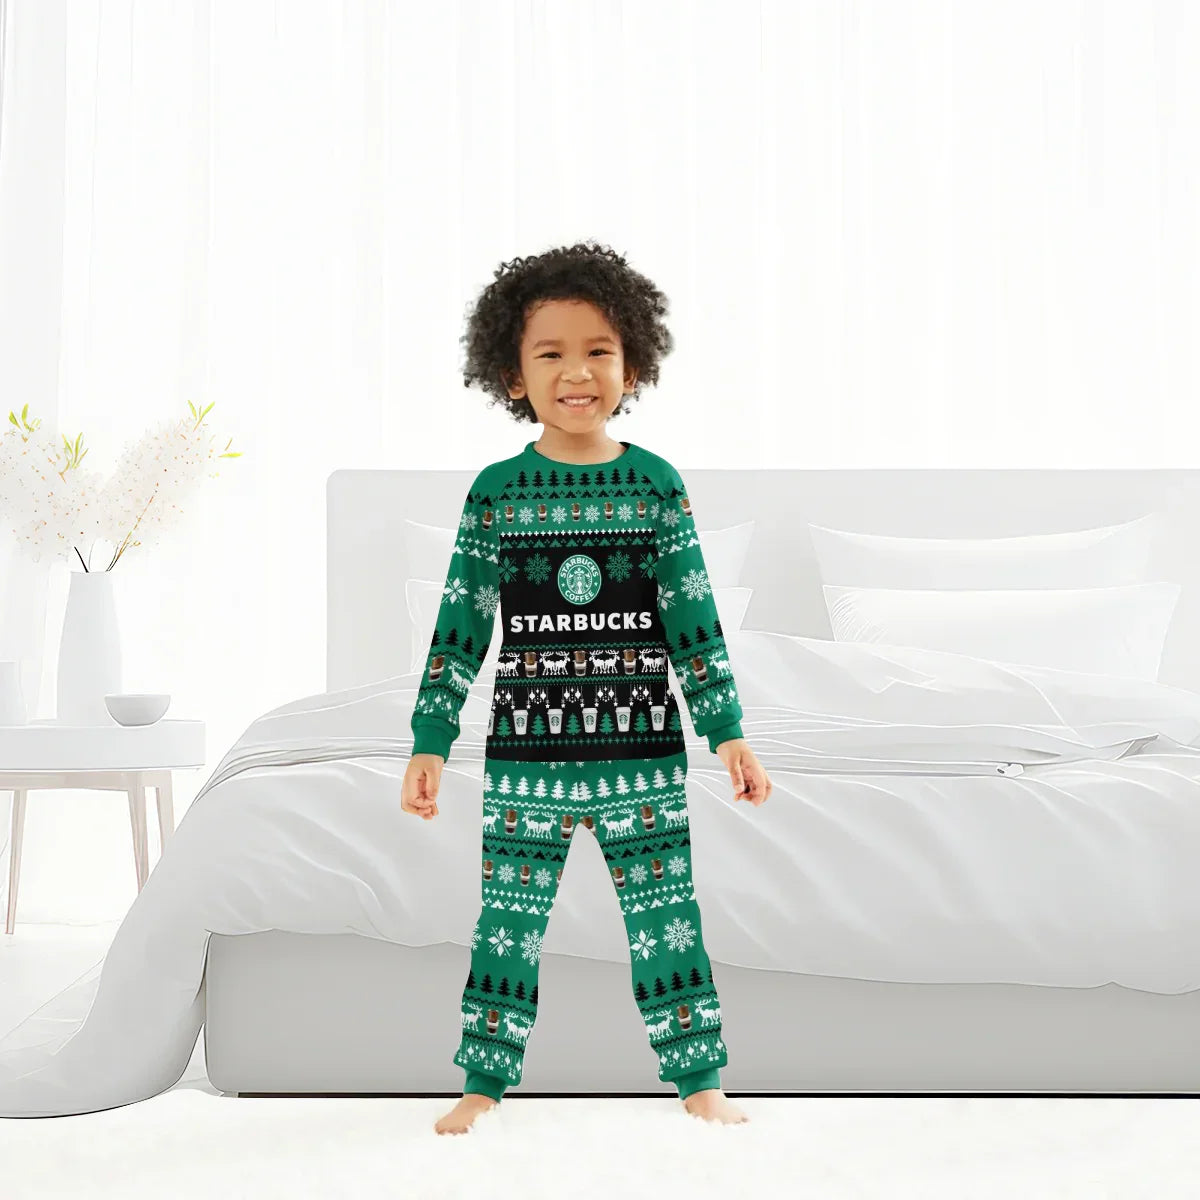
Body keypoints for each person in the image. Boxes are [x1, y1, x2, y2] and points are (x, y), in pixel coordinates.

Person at [400, 241, 772, 1135]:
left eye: (599, 350)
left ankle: (700, 1081)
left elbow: (692, 619)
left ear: (633, 363)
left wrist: (726, 731)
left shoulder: (655, 487)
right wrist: (429, 738)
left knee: (666, 921)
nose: (577, 372)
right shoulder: (497, 494)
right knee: (508, 925)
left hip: (640, 752)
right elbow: (461, 625)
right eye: (551, 353)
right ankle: (483, 1083)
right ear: (511, 374)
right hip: (526, 758)